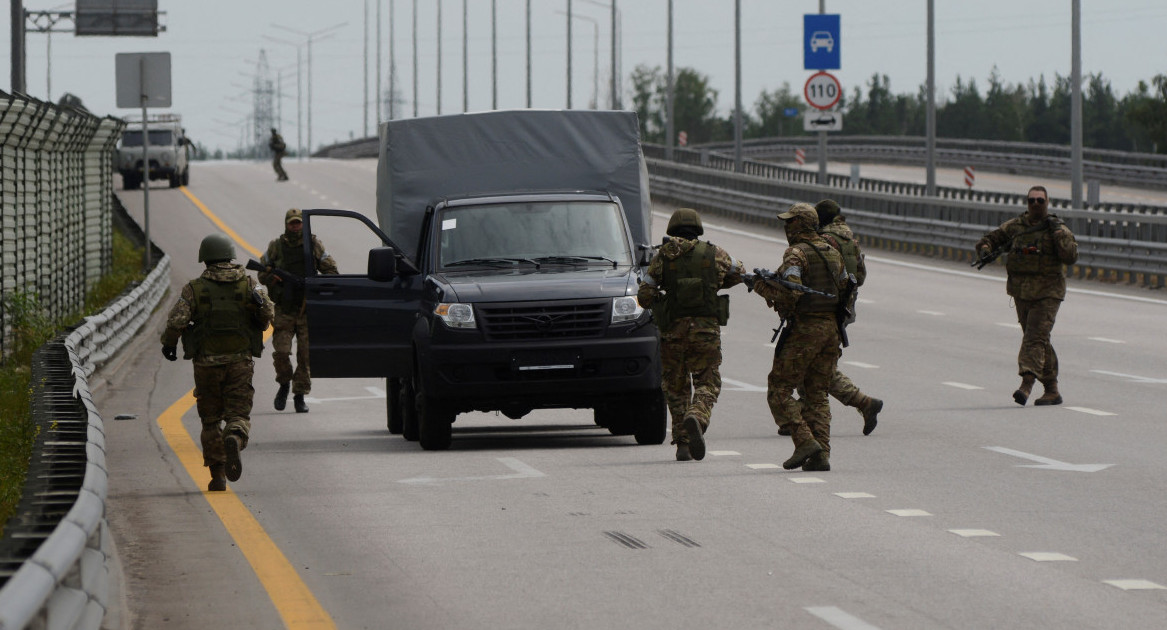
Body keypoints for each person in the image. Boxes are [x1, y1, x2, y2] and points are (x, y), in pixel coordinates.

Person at [160, 233, 274, 491]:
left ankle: (218, 475)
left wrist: (169, 344)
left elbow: (177, 321)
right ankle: (234, 435)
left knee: (210, 420)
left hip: (206, 364)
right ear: (230, 255)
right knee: (239, 413)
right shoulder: (248, 283)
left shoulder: (194, 288)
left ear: (205, 258)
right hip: (239, 361)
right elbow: (268, 312)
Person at [638, 208, 745, 462]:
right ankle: (697, 416)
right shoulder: (714, 252)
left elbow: (644, 296)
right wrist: (717, 280)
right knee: (708, 382)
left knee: (676, 387)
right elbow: (738, 271)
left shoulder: (662, 257)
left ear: (672, 230)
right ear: (698, 229)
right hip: (706, 332)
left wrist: (661, 299)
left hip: (672, 333)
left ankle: (682, 444)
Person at [753, 204, 847, 472]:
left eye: (790, 223)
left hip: (806, 329)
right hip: (831, 330)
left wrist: (761, 287)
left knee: (779, 389)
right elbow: (844, 290)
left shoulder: (796, 254)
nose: (786, 228)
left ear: (801, 225)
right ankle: (822, 454)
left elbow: (790, 293)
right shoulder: (833, 253)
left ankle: (804, 441)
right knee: (817, 393)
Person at [975, 185, 1078, 406]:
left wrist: (1060, 236)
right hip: (1022, 291)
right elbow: (991, 239)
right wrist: (985, 249)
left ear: (1047, 203)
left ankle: (1026, 384)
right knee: (1040, 341)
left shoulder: (1056, 228)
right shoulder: (1016, 226)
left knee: (1034, 339)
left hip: (1048, 292)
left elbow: (1071, 257)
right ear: (1027, 203)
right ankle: (1052, 389)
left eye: (1040, 201)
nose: (1036, 204)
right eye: (1032, 200)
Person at [258, 208, 339, 413]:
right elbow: (261, 272)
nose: (295, 226)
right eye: (292, 223)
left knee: (305, 356)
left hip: (306, 309)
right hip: (284, 310)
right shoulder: (276, 246)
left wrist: (314, 284)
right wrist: (273, 278)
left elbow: (331, 270)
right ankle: (284, 384)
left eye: (298, 223)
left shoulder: (313, 245)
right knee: (282, 353)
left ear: (303, 224)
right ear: (286, 224)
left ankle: (299, 395)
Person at [814, 199, 883, 436]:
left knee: (817, 364)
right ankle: (805, 412)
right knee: (815, 361)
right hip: (843, 307)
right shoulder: (849, 238)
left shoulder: (824, 239)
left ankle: (863, 402)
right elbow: (860, 276)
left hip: (823, 306)